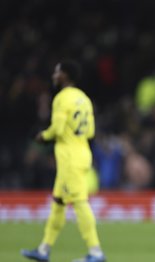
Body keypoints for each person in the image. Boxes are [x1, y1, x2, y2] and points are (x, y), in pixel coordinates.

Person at [21, 60, 106, 262]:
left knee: (79, 201)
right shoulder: (84, 99)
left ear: (65, 75)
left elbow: (57, 130)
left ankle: (96, 252)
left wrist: (42, 136)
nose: (54, 75)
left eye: (57, 72)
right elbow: (91, 131)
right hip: (82, 152)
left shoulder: (61, 98)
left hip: (69, 157)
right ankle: (44, 249)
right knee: (58, 202)